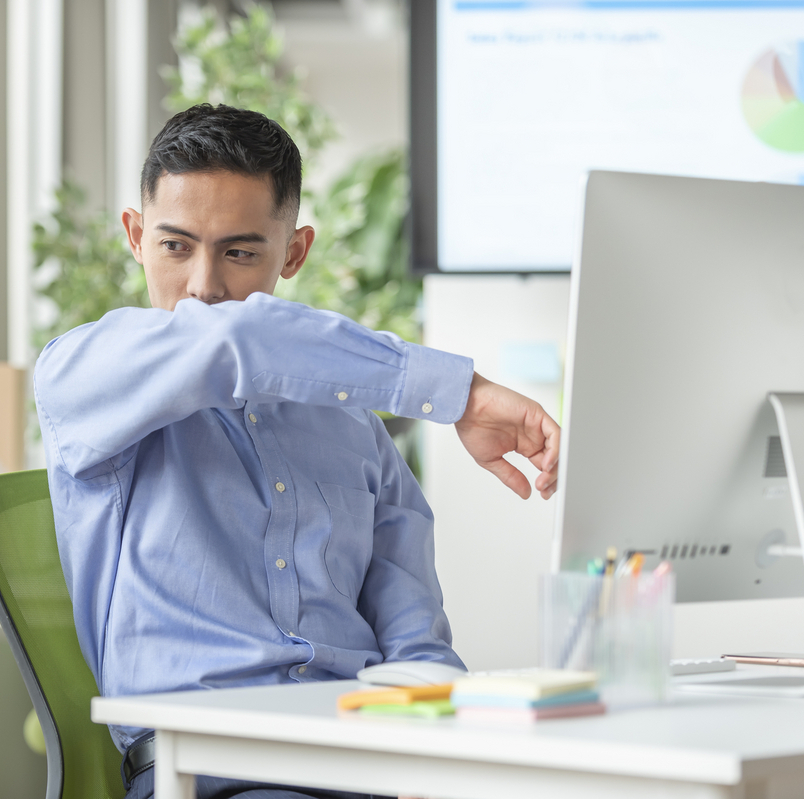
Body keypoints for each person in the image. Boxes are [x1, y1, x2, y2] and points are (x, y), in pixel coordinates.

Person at [34, 104, 559, 799]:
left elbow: (415, 634)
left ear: (295, 251)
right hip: (208, 769)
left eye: (239, 251)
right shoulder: (83, 373)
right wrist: (462, 393)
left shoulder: (350, 423)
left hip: (359, 755)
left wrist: (440, 749)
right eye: (175, 245)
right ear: (135, 235)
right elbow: (232, 339)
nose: (203, 286)